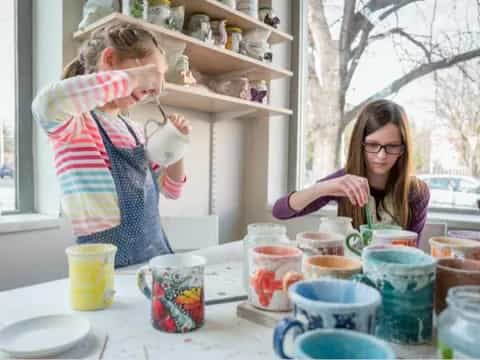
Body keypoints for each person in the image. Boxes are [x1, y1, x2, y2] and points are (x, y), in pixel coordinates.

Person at [32, 22, 191, 267]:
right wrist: (136, 78)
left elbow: (171, 190)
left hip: (155, 257)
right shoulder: (76, 125)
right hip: (105, 265)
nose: (153, 88)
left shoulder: (135, 131)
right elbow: (46, 104)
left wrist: (177, 144)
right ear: (110, 59)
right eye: (151, 74)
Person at [273, 99, 430, 236]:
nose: (381, 155)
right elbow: (280, 211)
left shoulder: (417, 192)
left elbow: (411, 251)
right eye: (373, 144)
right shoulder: (344, 181)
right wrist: (321, 188)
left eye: (392, 146)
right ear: (359, 144)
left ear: (404, 148)